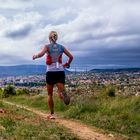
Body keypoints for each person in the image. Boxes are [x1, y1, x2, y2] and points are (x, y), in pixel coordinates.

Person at [33, 31, 73, 119]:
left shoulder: (47, 46)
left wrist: (35, 56)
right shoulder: (62, 47)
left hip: (50, 72)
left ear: (49, 38)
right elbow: (71, 57)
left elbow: (41, 54)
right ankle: (63, 94)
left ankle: (52, 114)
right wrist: (67, 64)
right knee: (61, 90)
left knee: (50, 94)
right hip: (60, 71)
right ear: (56, 38)